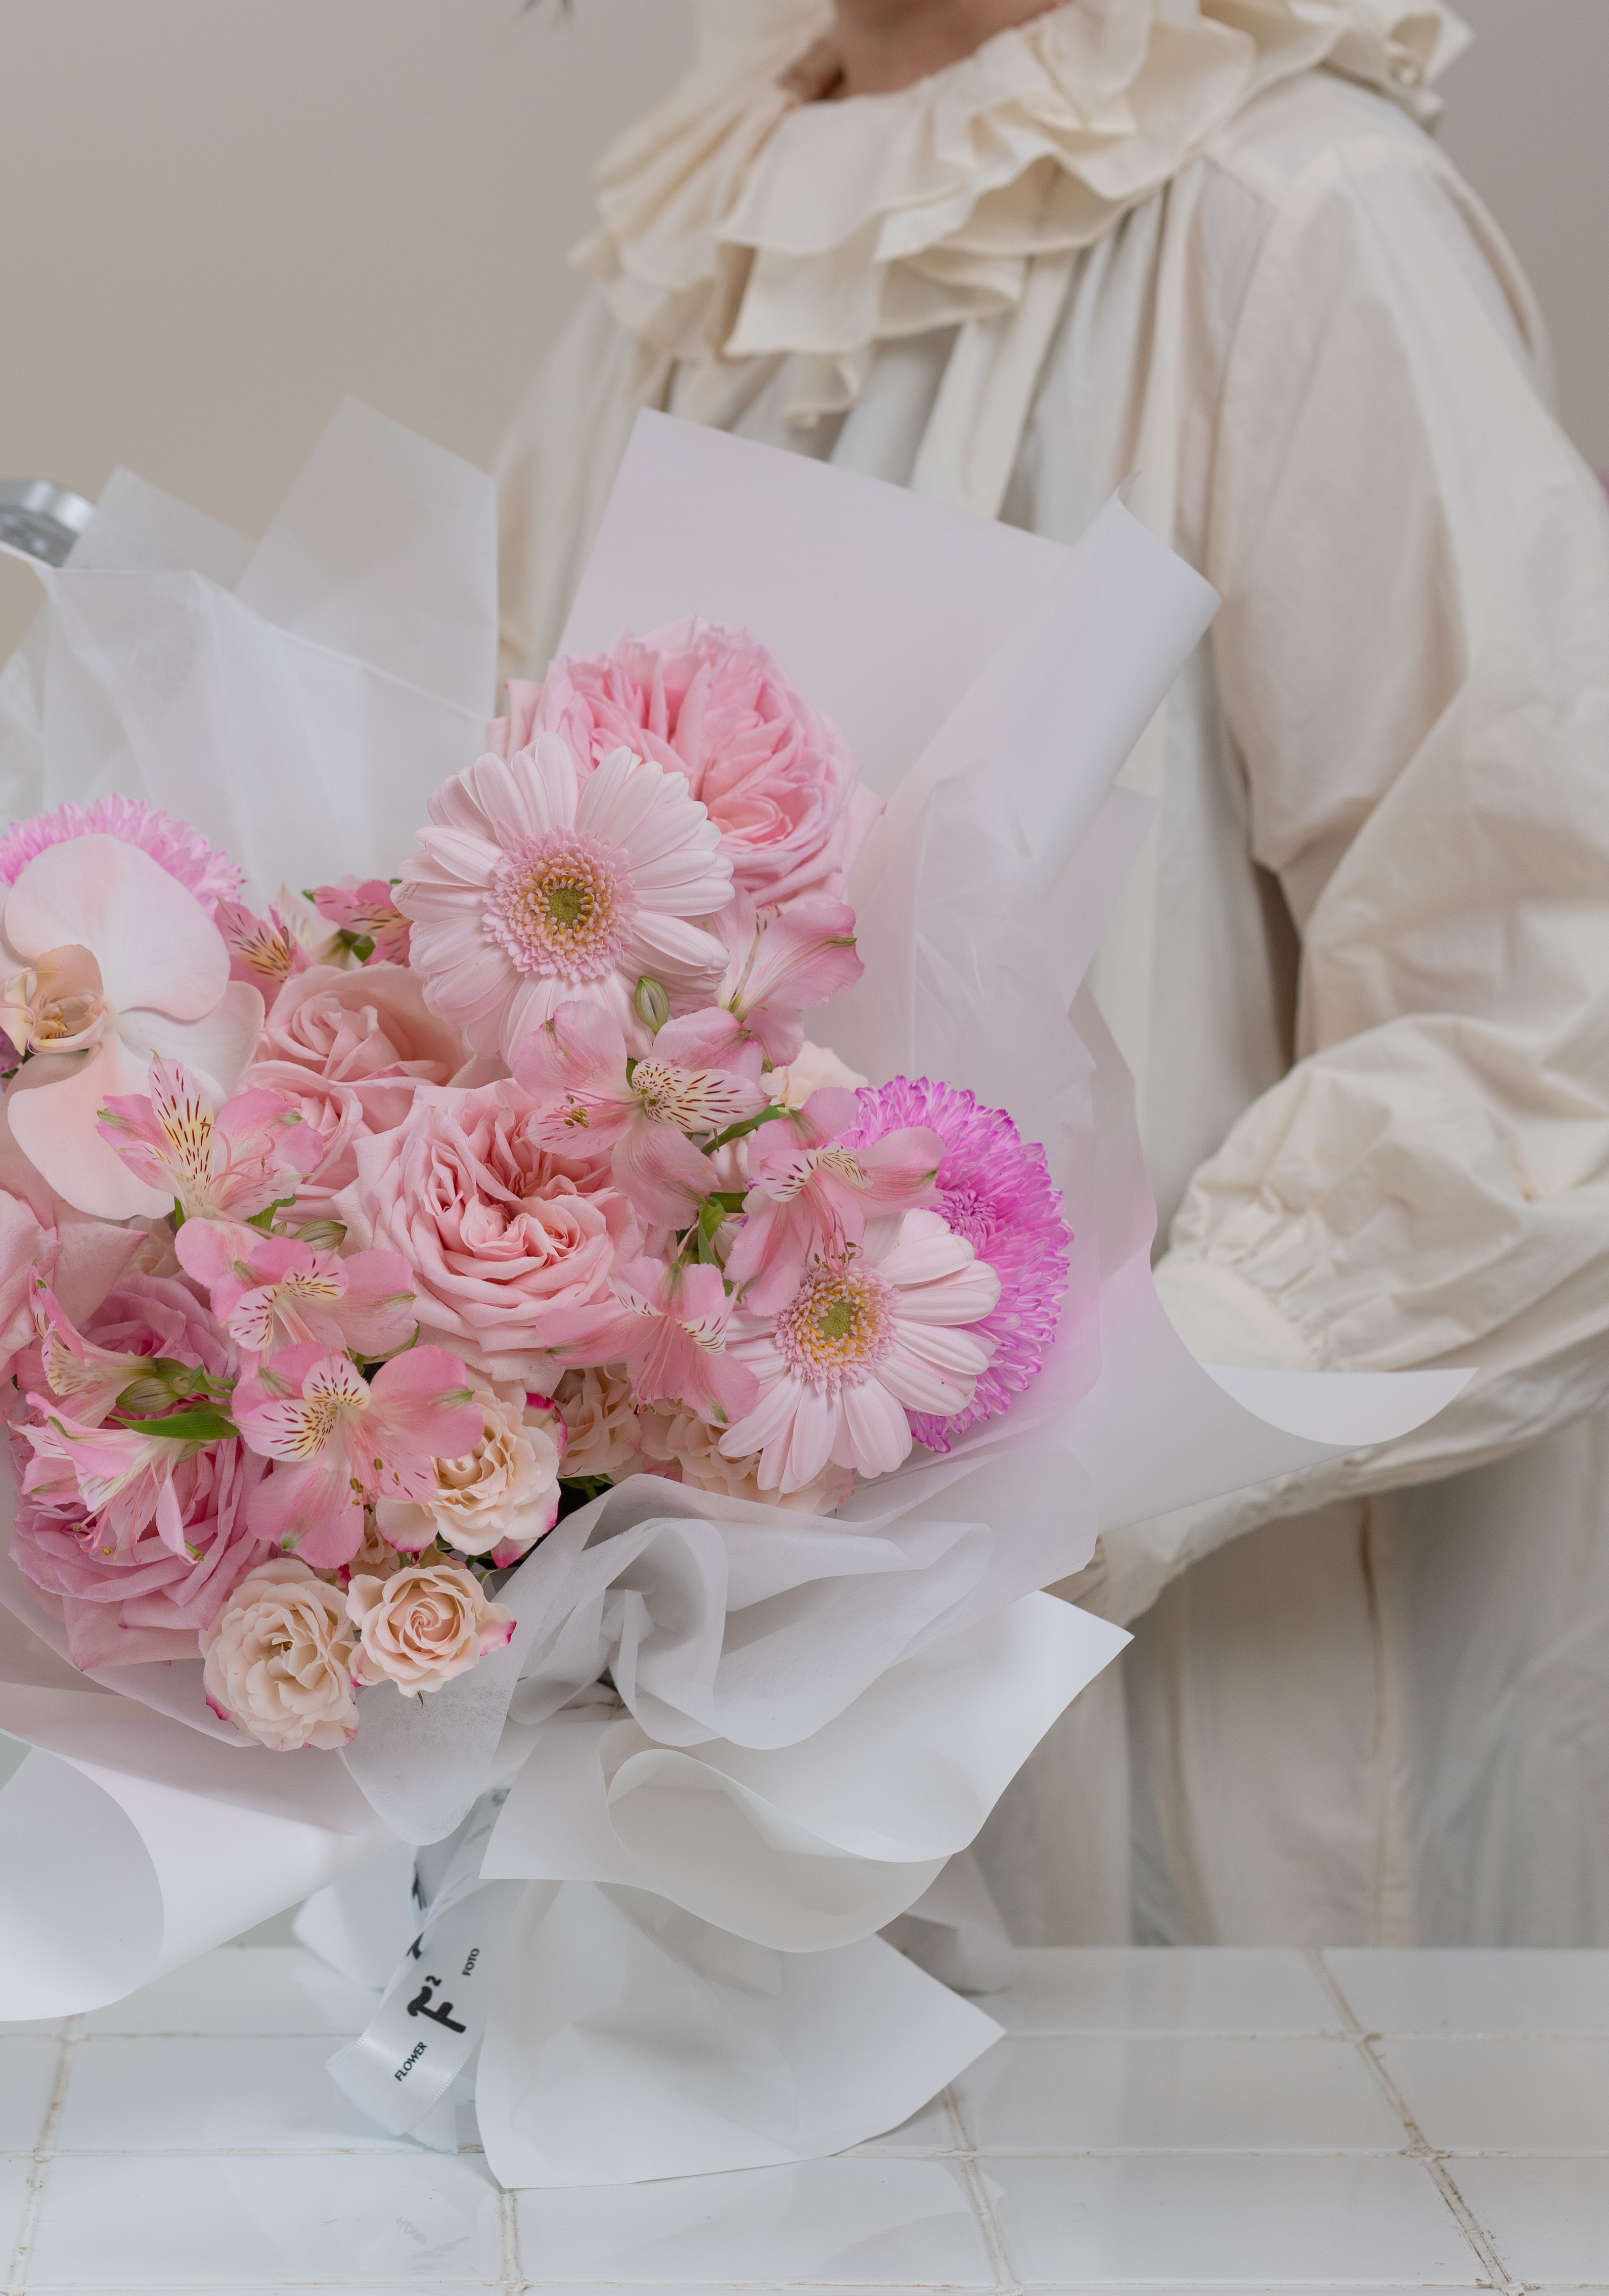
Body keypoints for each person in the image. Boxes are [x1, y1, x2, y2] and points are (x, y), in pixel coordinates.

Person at [497, 0, 1609, 1948]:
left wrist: (1042, 1473)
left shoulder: (1296, 213)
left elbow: (1546, 1020)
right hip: (695, 1705)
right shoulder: (691, 250)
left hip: (1172, 1706)